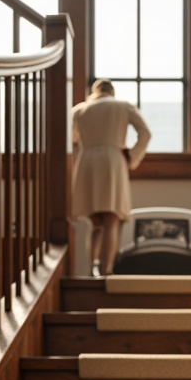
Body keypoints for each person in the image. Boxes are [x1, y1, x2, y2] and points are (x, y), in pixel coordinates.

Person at [71, 79, 151, 275]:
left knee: (95, 223)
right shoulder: (123, 107)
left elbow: (72, 140)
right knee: (111, 220)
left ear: (94, 91)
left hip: (87, 161)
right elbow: (145, 133)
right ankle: (107, 270)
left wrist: (79, 157)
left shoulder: (79, 110)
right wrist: (131, 156)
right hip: (113, 161)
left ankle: (92, 268)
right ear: (111, 92)